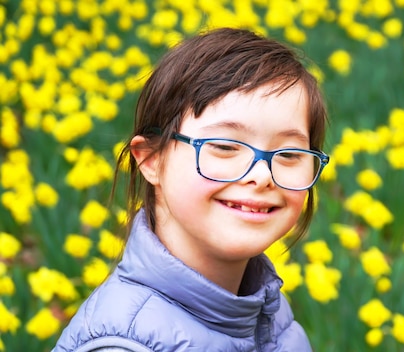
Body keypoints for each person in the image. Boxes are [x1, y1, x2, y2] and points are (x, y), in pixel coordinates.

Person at [53, 27, 329, 352]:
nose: (262, 175)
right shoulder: (122, 345)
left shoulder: (268, 311)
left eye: (289, 154)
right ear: (152, 160)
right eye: (225, 146)